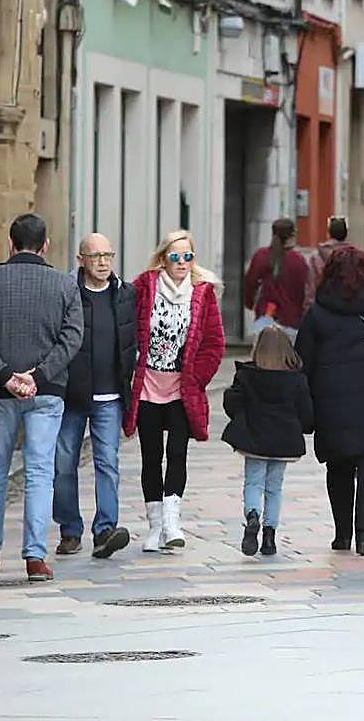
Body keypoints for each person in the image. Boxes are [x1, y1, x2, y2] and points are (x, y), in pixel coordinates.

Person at [0, 214, 84, 583]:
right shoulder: (64, 285)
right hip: (46, 391)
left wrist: (5, 375)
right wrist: (39, 376)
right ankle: (35, 556)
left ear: (10, 244)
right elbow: (72, 337)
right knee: (40, 472)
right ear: (46, 245)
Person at [124, 230, 226, 553]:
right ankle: (154, 526)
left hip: (183, 389)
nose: (182, 263)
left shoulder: (202, 293)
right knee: (151, 456)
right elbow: (126, 328)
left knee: (177, 453)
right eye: (175, 256)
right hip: (148, 386)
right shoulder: (144, 287)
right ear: (163, 258)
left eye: (188, 257)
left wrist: (196, 378)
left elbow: (214, 343)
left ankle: (172, 523)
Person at [295, 246, 364, 556]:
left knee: (338, 467)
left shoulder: (318, 311)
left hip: (331, 399)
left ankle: (342, 534)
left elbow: (303, 361)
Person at [52, 233, 137, 560]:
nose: (102, 262)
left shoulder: (125, 294)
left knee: (107, 463)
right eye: (95, 256)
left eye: (107, 256)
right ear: (81, 260)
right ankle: (70, 531)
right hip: (72, 396)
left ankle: (105, 530)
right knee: (64, 464)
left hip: (110, 395)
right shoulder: (67, 293)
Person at [223, 326, 314, 557]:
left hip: (254, 440)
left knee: (253, 482)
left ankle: (252, 515)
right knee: (274, 488)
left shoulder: (247, 375)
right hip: (283, 442)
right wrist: (303, 427)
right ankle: (269, 537)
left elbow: (232, 404)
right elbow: (306, 413)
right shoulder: (296, 379)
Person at [243, 218, 309, 338]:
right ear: (292, 236)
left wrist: (249, 303)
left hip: (266, 316)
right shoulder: (299, 261)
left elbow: (250, 283)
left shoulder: (262, 256)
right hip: (291, 321)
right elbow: (304, 292)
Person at [303, 215, 350, 310]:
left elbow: (311, 288)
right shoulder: (353, 257)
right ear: (346, 234)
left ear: (328, 233)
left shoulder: (316, 258)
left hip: (321, 309)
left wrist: (309, 309)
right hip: (347, 309)